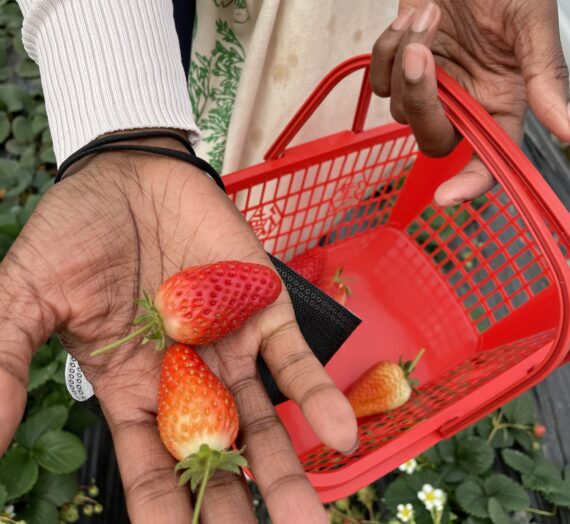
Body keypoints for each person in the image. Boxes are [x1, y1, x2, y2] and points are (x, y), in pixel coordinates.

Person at [0, 0, 568, 523]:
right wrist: (125, 127)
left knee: (289, 199)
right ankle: (249, 224)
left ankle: (280, 243)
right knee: (224, 185)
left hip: (370, 30)